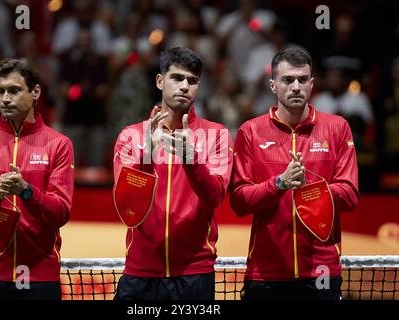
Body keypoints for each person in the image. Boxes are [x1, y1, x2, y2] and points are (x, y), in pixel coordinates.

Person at [230, 47, 359, 300]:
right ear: (273, 85)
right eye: (288, 80)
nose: (296, 86)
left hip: (321, 271)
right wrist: (279, 183)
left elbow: (350, 194)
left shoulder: (337, 128)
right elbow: (238, 200)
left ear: (312, 84)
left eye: (302, 79)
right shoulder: (250, 131)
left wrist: (309, 188)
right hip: (266, 273)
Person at [112, 47, 233, 300]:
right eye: (177, 78)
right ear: (160, 81)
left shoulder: (216, 135)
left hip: (194, 275)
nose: (185, 86)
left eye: (192, 81)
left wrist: (191, 159)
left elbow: (216, 197)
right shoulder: (131, 136)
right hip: (140, 274)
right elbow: (126, 206)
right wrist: (147, 157)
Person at [0, 58, 75, 300]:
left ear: (35, 92)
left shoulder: (59, 145)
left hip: (38, 277)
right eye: (0, 91)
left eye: (14, 90)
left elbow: (61, 213)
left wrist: (27, 191)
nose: (5, 99)